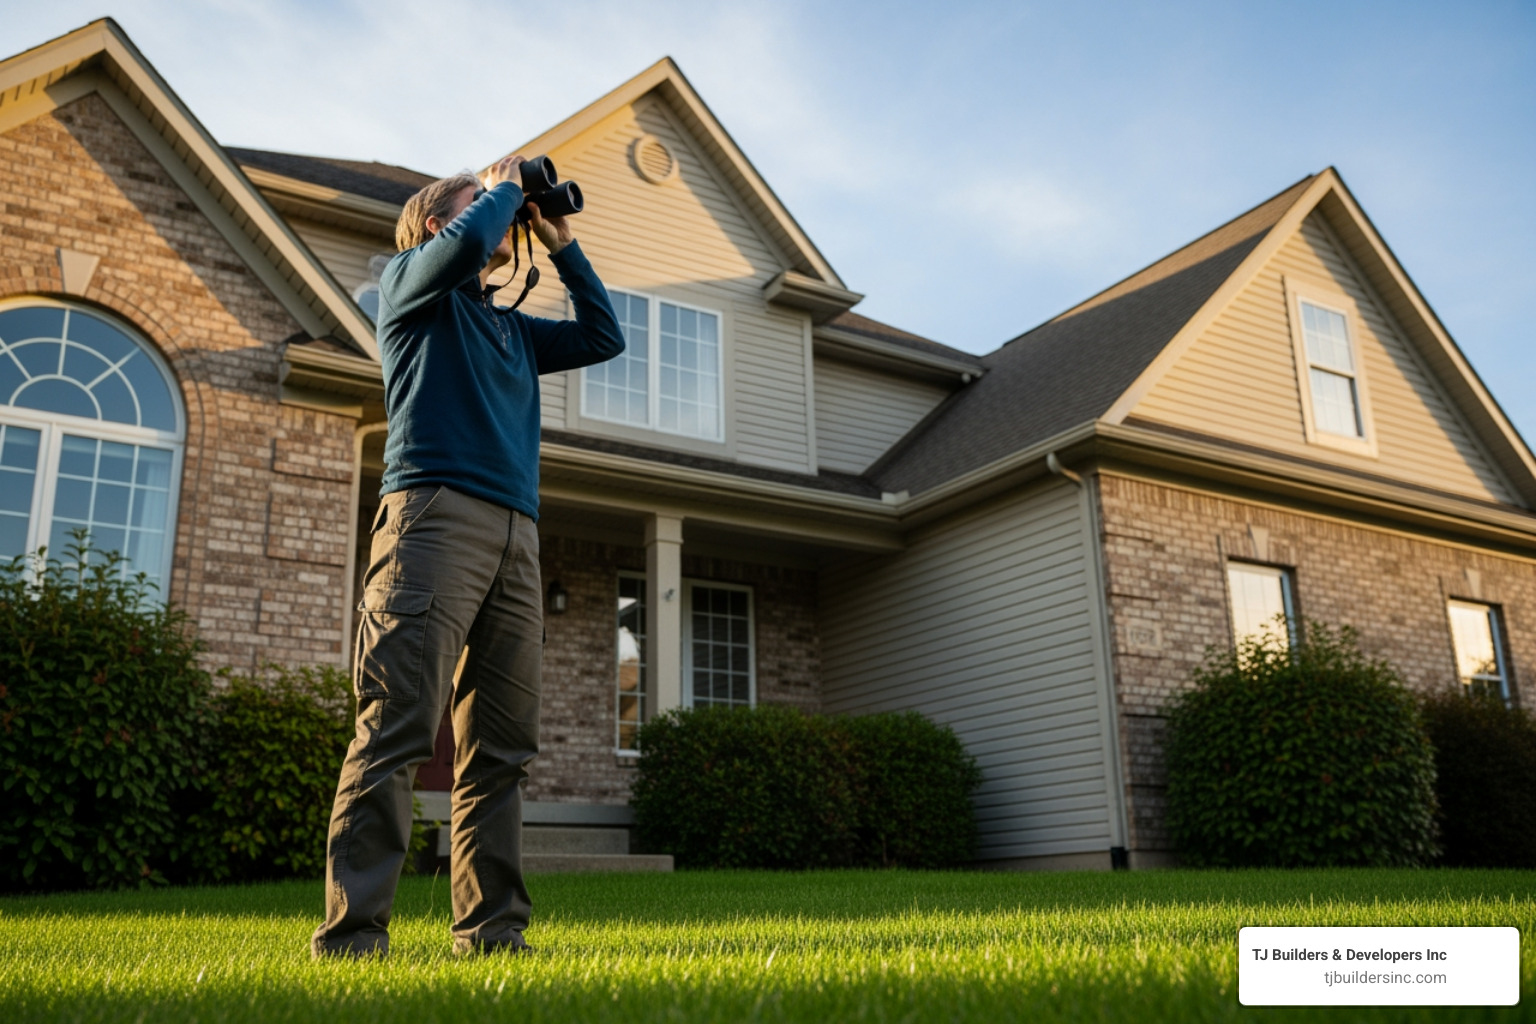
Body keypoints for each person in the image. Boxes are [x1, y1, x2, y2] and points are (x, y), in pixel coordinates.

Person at [311, 154, 625, 958]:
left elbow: (603, 335)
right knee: (397, 727)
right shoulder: (409, 289)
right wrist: (501, 188)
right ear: (433, 225)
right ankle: (353, 937)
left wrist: (556, 240)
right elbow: (458, 247)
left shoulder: (510, 329)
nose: (499, 215)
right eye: (476, 206)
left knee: (501, 746)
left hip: (518, 532)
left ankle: (492, 934)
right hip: (433, 516)